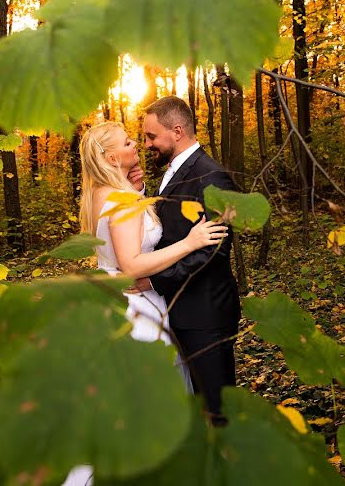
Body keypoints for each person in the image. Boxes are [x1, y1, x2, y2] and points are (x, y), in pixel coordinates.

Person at [63, 120, 227, 486]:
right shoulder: (122, 199)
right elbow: (132, 264)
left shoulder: (99, 194)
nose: (135, 143)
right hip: (135, 307)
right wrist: (191, 241)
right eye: (127, 142)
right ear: (110, 156)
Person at [143, 96, 240, 426]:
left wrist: (155, 280)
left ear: (178, 131)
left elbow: (214, 249)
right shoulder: (171, 171)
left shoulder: (211, 176)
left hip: (205, 314)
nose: (147, 144)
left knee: (218, 411)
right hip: (176, 311)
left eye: (151, 136)